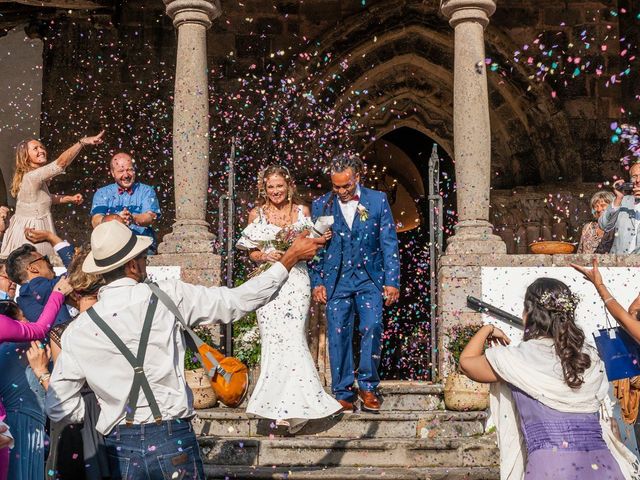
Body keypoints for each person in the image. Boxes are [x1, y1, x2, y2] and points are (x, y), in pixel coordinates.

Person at [45, 220, 323, 479]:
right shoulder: (168, 296)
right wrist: (289, 259)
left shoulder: (78, 331)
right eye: (143, 256)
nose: (146, 261)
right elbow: (239, 301)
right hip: (171, 436)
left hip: (118, 443)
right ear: (131, 265)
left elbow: (59, 406)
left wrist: (104, 409)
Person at [459, 277, 638, 480]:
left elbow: (466, 363)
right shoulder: (588, 358)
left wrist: (487, 329)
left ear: (529, 314)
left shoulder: (519, 358)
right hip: (603, 466)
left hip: (550, 468)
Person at [237, 165, 340, 432]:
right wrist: (266, 256)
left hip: (296, 281)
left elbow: (312, 250)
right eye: (270, 187)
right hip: (269, 280)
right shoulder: (256, 215)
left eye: (279, 186)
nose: (275, 192)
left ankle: (300, 406)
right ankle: (278, 408)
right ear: (264, 188)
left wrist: (320, 239)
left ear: (288, 185)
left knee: (293, 338)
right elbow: (251, 254)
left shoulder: (302, 212)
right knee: (273, 341)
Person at [310, 154, 400, 413]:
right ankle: (343, 392)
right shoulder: (321, 205)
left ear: (357, 178)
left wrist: (392, 280)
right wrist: (317, 281)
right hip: (336, 279)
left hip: (369, 278)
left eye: (346, 186)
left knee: (372, 326)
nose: (340, 192)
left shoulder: (377, 200)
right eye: (336, 186)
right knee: (338, 333)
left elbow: (389, 242)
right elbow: (316, 248)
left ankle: (368, 386)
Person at [27, 246, 109, 479]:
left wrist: (42, 371)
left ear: (74, 292)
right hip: (113, 417)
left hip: (76, 422)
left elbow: (61, 395)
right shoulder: (115, 323)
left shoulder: (64, 332)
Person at [0, 277, 72, 480]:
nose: (26, 322)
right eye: (22, 319)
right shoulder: (20, 347)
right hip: (15, 426)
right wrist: (58, 293)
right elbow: (41, 329)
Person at [0, 131, 104, 260]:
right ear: (25, 156)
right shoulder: (32, 177)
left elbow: (41, 199)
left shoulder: (33, 177)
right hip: (32, 232)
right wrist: (81, 142)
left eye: (42, 147)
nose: (41, 150)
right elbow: (61, 164)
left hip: (32, 228)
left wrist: (68, 198)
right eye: (35, 148)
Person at [90, 152, 161, 252]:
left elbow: (151, 217)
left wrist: (132, 218)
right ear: (113, 173)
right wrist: (116, 219)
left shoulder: (147, 191)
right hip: (112, 249)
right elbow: (96, 221)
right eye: (121, 171)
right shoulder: (102, 193)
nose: (126, 175)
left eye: (129, 170)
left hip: (142, 247)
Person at [6, 229, 74, 326]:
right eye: (45, 259)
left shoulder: (25, 297)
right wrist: (51, 238)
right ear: (33, 268)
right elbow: (77, 273)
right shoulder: (38, 287)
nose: (50, 264)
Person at [599, 162, 640, 254]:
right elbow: (604, 225)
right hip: (619, 263)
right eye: (634, 176)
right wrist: (618, 198)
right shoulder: (622, 201)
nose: (638, 180)